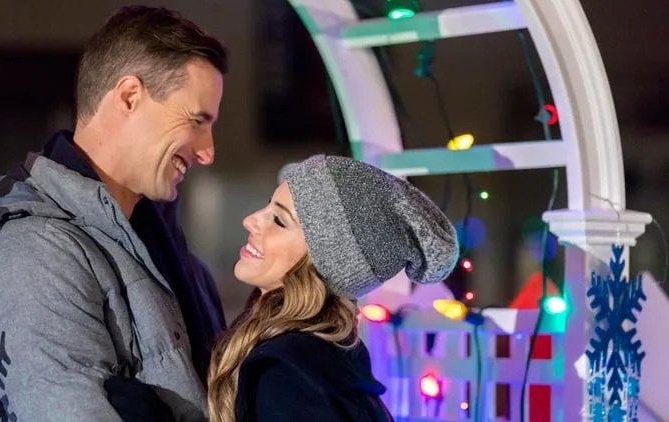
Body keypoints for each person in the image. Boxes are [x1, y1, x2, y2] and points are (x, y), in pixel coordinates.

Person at [0, 6, 228, 421]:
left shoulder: (177, 259)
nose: (207, 151)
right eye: (196, 120)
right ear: (129, 97)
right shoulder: (34, 253)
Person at [106, 154, 459, 421]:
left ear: (322, 261)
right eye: (267, 207)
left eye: (278, 220)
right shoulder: (321, 359)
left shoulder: (289, 376)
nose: (250, 220)